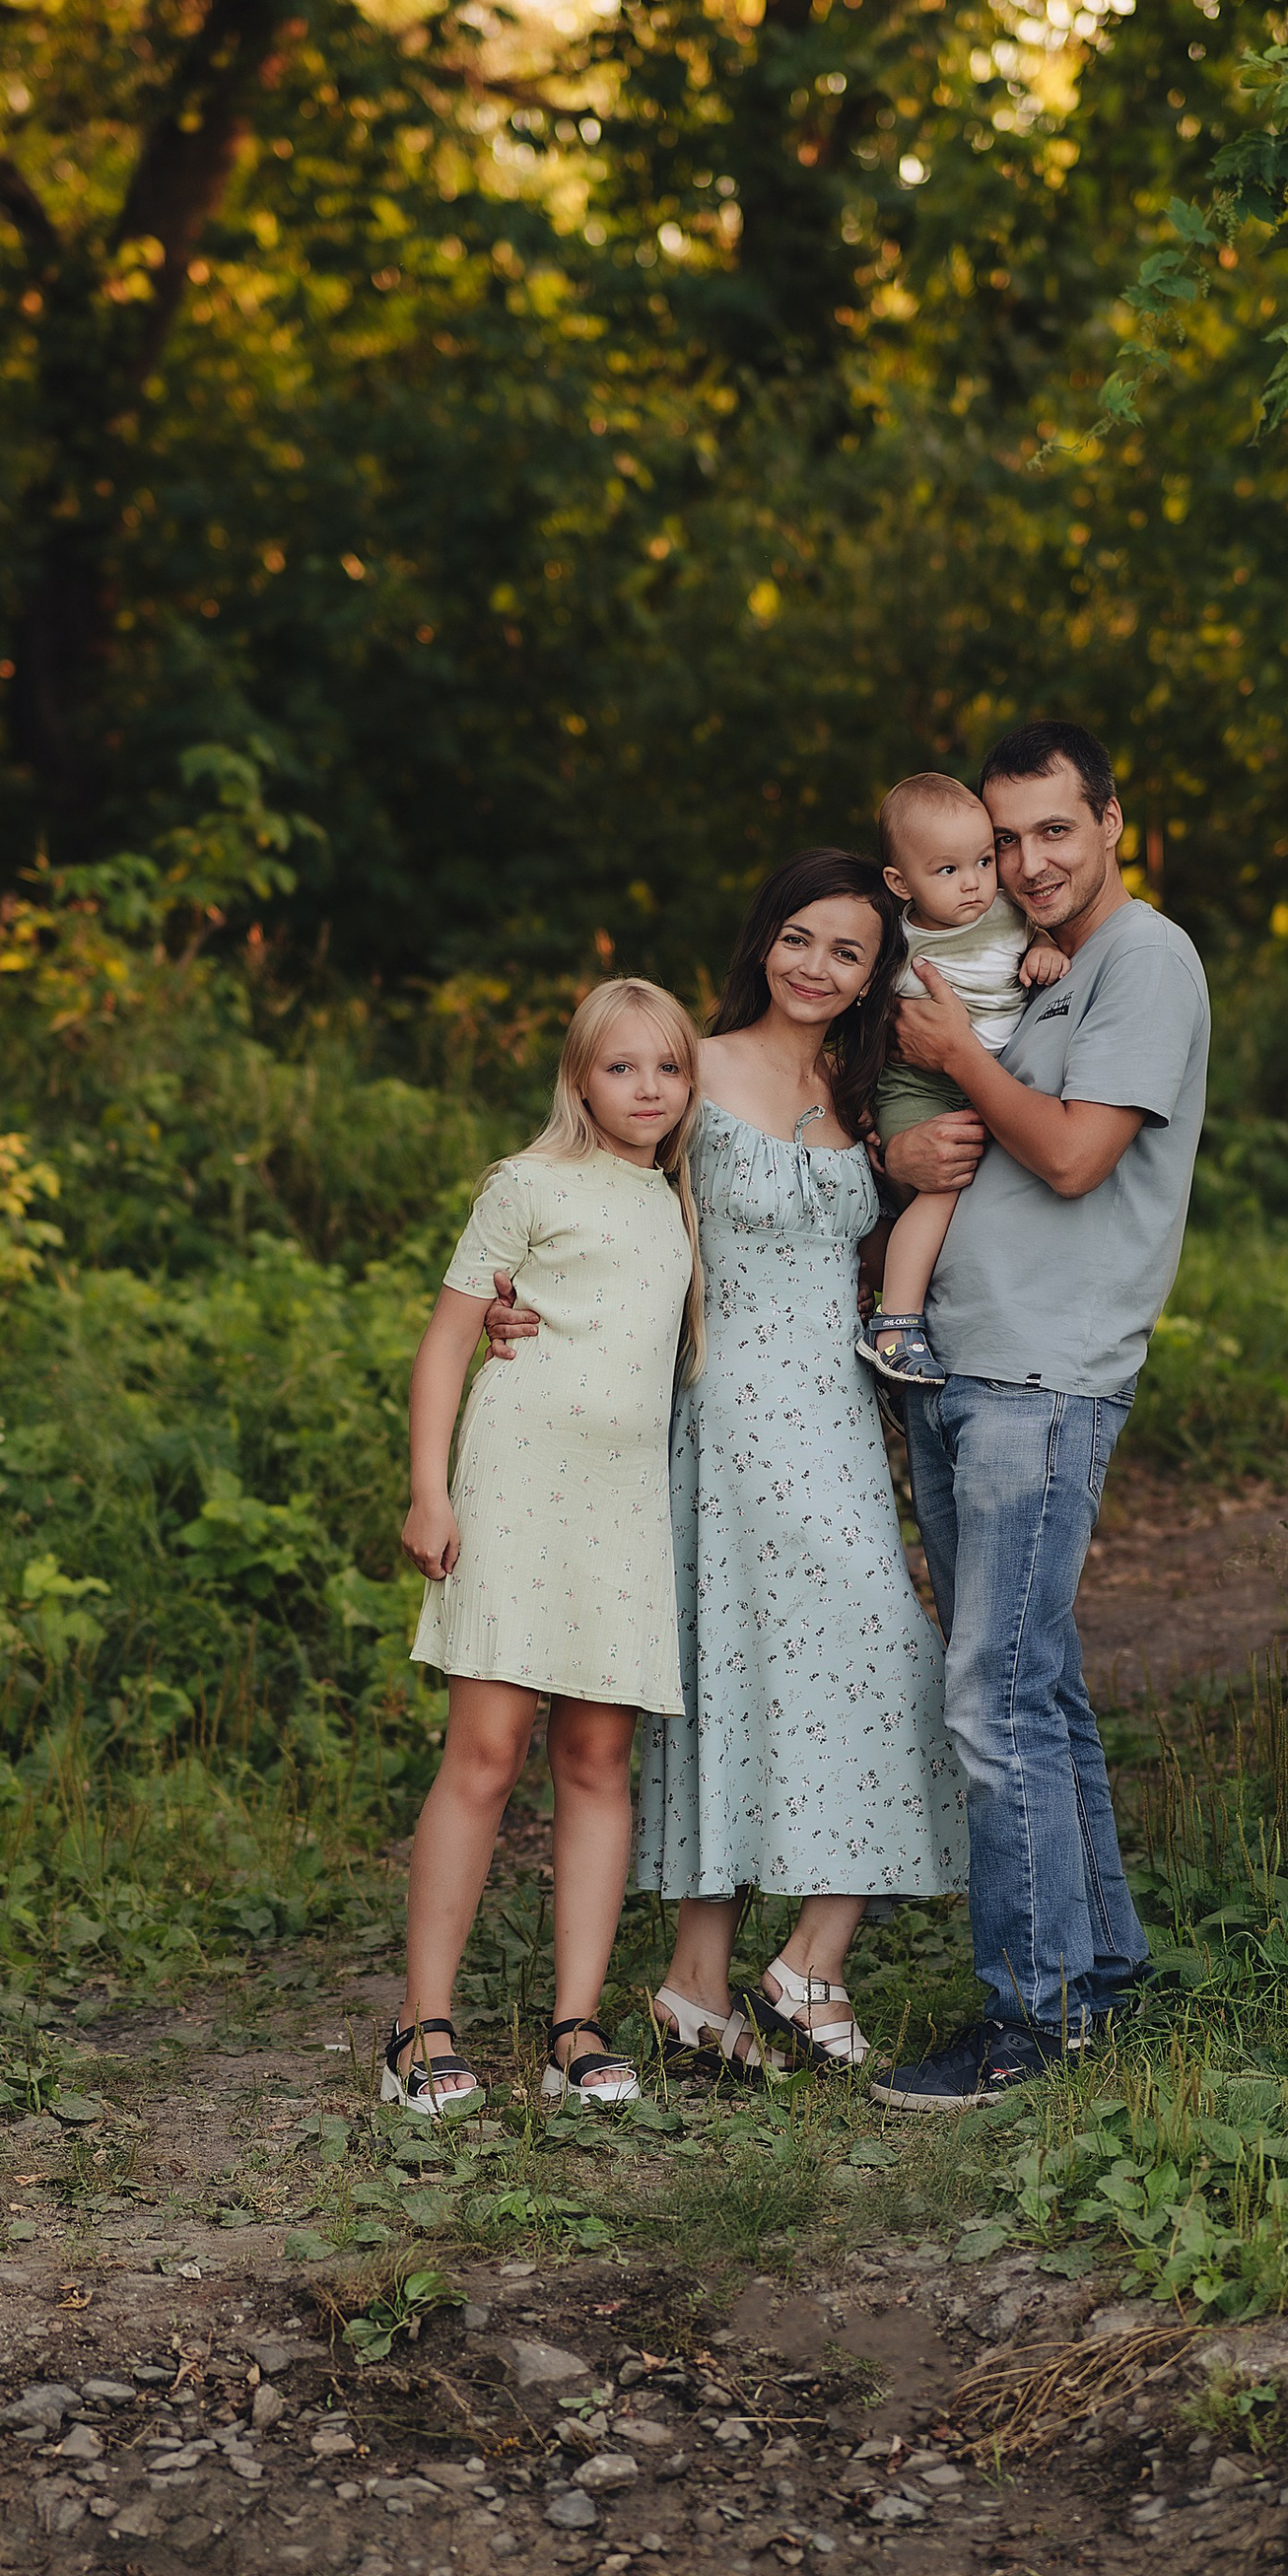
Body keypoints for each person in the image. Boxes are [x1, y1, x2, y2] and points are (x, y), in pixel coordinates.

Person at [483, 853, 964, 2069]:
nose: (817, 965)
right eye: (798, 937)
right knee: (809, 1673)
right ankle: (786, 1973)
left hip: (841, 1422)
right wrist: (511, 1301)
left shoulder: (868, 1090)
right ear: (764, 941)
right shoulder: (689, 1067)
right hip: (728, 1418)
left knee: (829, 1677)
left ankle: (717, 1982)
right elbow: (585, 1190)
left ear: (873, 975)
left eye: (847, 951)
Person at [870, 718, 1209, 2108]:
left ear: (1114, 820)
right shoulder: (1000, 949)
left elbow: (1072, 1155)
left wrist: (960, 1059)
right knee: (1039, 1688)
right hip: (953, 1360)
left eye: (1055, 829)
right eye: (1005, 838)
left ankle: (1029, 2016)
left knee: (993, 1698)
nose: (1027, 862)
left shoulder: (1148, 959)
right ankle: (1100, 1974)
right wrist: (914, 1122)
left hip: (1043, 1376)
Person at [390, 976, 704, 2117]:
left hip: (622, 1506)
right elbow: (444, 1345)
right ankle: (421, 2026)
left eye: (667, 1067)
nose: (647, 1088)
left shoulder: (678, 1196)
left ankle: (574, 2024)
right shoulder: (524, 1185)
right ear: (580, 1077)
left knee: (596, 1760)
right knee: (485, 1750)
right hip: (516, 1481)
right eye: (621, 1066)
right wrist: (430, 1493)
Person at [855, 768, 1068, 1391]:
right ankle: (895, 1323)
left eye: (982, 860)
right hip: (916, 1085)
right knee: (941, 1186)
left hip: (983, 1075)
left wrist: (1045, 948)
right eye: (947, 871)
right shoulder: (893, 934)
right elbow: (864, 1004)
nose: (973, 882)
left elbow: (1037, 933)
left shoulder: (1008, 908)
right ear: (901, 882)